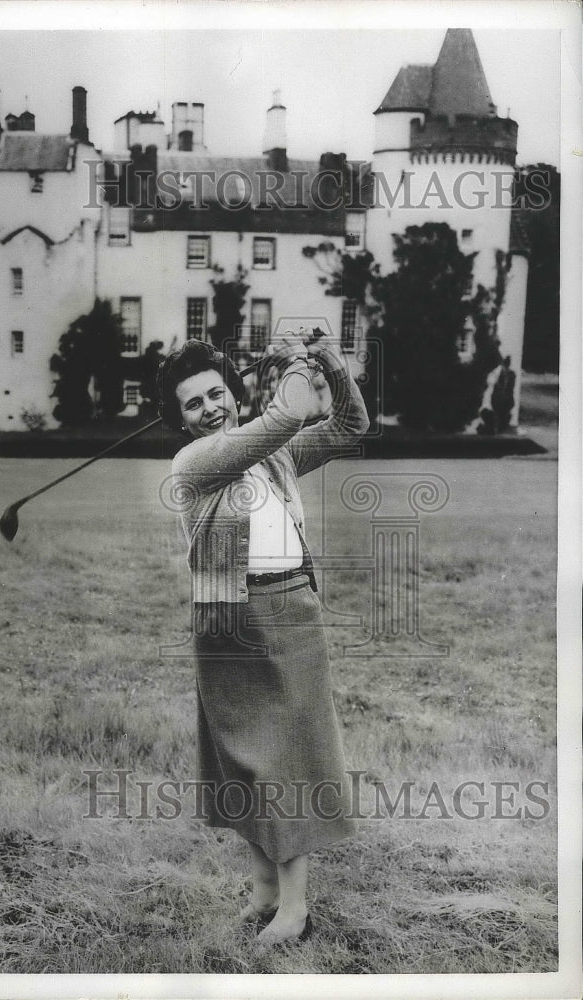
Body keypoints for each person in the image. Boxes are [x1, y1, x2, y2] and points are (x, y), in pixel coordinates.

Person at [157, 331, 370, 946]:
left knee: (285, 766)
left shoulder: (272, 454)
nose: (211, 408)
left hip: (289, 610)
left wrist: (327, 360)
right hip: (226, 620)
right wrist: (293, 370)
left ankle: (293, 909)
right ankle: (267, 893)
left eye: (217, 393)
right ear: (180, 419)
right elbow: (285, 414)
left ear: (233, 391)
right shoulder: (194, 463)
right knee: (248, 765)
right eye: (193, 404)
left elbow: (349, 425)